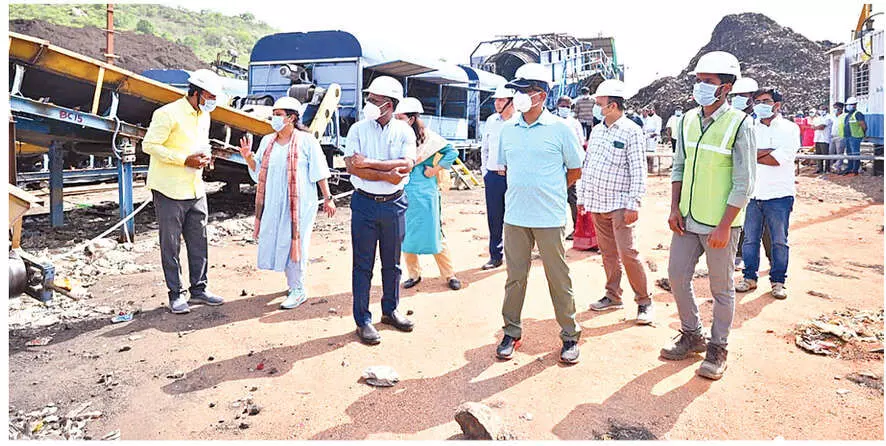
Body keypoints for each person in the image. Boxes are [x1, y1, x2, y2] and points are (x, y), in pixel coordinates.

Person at [660, 51, 756, 381]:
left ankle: (718, 347)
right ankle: (692, 334)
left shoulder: (740, 124)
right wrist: (674, 208)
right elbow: (679, 167)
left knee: (721, 289)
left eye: (709, 82)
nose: (701, 86)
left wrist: (725, 225)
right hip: (686, 220)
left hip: (720, 225)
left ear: (726, 88)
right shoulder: (687, 120)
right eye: (699, 80)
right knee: (676, 276)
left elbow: (744, 182)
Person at [494, 63, 584, 364]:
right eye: (516, 90)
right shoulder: (508, 130)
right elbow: (506, 169)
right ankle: (511, 332)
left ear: (541, 95)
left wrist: (552, 190)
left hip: (549, 217)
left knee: (558, 278)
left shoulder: (561, 129)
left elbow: (575, 170)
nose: (518, 96)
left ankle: (570, 335)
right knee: (514, 278)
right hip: (516, 216)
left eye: (524, 91)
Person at [238, 97, 336, 309]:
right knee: (281, 240)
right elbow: (258, 172)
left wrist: (328, 198)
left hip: (300, 203)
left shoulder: (306, 141)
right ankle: (292, 283)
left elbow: (319, 171)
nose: (274, 118)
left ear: (291, 117)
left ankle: (299, 289)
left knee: (296, 242)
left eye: (278, 114)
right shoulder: (267, 141)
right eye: (273, 114)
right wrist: (248, 157)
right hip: (274, 201)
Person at [142, 69, 227, 314]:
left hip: (195, 188)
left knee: (199, 241)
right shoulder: (167, 113)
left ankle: (199, 289)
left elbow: (200, 143)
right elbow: (149, 145)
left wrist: (205, 157)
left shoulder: (204, 116)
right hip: (169, 189)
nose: (213, 101)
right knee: (171, 244)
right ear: (197, 92)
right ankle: (176, 294)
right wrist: (183, 160)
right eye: (210, 96)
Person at [344, 76, 416, 345]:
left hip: (394, 205)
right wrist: (387, 174)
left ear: (389, 105)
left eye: (374, 100)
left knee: (392, 264)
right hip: (364, 203)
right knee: (362, 266)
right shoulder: (358, 129)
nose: (369, 104)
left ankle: (390, 311)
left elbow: (407, 165)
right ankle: (362, 320)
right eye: (369, 99)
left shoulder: (404, 131)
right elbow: (352, 167)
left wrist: (371, 165)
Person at [578, 79, 654, 325]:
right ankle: (613, 295)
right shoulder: (598, 130)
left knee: (628, 253)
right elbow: (588, 166)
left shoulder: (631, 131)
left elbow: (638, 170)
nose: (597, 107)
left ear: (612, 106)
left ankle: (644, 301)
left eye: (600, 104)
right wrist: (582, 197)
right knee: (608, 254)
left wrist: (634, 203)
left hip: (620, 204)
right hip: (598, 202)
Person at [735, 88, 799, 300]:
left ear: (777, 105)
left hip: (779, 195)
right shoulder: (750, 127)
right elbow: (743, 155)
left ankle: (778, 281)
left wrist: (757, 154)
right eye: (757, 101)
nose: (761, 104)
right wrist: (767, 151)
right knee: (750, 240)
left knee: (779, 240)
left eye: (766, 101)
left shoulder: (790, 129)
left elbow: (778, 159)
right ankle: (749, 277)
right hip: (753, 195)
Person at [395, 98, 462, 291]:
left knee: (435, 232)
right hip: (402, 190)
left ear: (412, 118)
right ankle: (414, 274)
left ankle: (449, 275)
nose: (397, 121)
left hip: (425, 192)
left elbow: (452, 153)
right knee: (406, 234)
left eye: (401, 117)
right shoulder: (397, 137)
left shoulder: (429, 139)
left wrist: (435, 170)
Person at [480, 85, 515, 271]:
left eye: (501, 100)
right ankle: (495, 255)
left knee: (516, 218)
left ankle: (516, 256)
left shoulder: (519, 121)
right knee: (494, 217)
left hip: (514, 179)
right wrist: (485, 171)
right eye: (496, 100)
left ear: (511, 102)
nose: (496, 103)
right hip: (493, 177)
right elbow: (485, 147)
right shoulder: (491, 121)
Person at [728, 75, 758, 271]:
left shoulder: (756, 121)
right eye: (735, 95)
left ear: (751, 98)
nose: (738, 98)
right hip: (736, 179)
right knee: (737, 219)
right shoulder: (730, 119)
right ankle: (738, 255)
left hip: (760, 184)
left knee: (761, 229)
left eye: (742, 95)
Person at [557, 95, 586, 240]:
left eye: (568, 106)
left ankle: (576, 229)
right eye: (563, 105)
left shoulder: (575, 124)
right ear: (557, 106)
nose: (565, 108)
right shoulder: (551, 122)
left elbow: (580, 143)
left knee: (572, 198)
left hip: (569, 167)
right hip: (553, 166)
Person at [842, 97, 867, 176]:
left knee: (855, 153)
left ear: (855, 105)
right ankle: (850, 168)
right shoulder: (848, 115)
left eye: (850, 105)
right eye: (848, 105)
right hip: (848, 136)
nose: (848, 106)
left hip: (855, 137)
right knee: (849, 153)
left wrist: (863, 133)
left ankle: (855, 169)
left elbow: (863, 125)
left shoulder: (858, 114)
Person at [811, 105, 834, 174]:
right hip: (817, 138)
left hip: (825, 139)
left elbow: (822, 127)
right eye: (820, 109)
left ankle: (827, 169)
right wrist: (816, 127)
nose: (822, 111)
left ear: (826, 110)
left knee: (825, 155)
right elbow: (812, 126)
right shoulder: (817, 118)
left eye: (823, 109)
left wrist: (816, 127)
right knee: (818, 155)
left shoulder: (829, 117)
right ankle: (819, 168)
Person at [642, 105, 662, 173]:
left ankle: (651, 169)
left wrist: (652, 135)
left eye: (651, 110)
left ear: (653, 110)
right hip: (645, 136)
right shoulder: (645, 118)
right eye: (648, 110)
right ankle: (646, 169)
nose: (649, 111)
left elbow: (658, 129)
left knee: (651, 154)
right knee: (645, 153)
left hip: (653, 137)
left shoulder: (658, 118)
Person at [830, 102, 846, 173]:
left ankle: (838, 168)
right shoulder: (832, 116)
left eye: (835, 108)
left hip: (841, 136)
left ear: (840, 108)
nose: (834, 110)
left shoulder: (845, 116)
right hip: (832, 136)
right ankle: (831, 167)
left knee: (840, 153)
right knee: (830, 152)